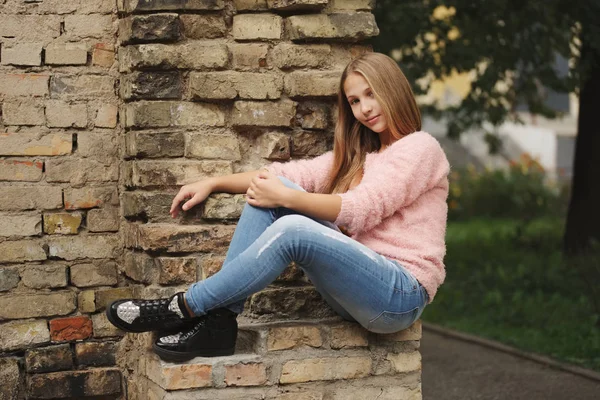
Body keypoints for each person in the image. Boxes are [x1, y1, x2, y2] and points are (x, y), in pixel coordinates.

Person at [106, 52, 450, 362]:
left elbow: (362, 207)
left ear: (393, 89)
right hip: (356, 292)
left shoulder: (420, 148)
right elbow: (282, 175)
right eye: (355, 101)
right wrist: (213, 182)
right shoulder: (359, 157)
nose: (365, 109)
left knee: (291, 225)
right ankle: (219, 323)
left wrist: (288, 199)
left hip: (399, 295)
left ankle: (183, 306)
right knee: (273, 188)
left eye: (372, 94)